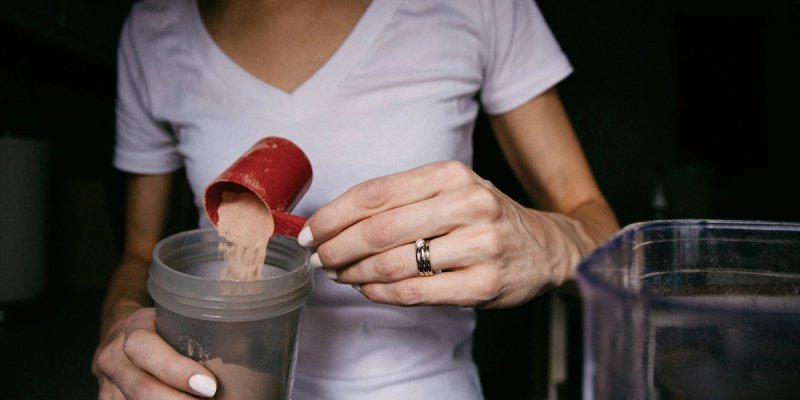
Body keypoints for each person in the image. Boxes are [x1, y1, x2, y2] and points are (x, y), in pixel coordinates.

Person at [92, 0, 619, 398]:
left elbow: (597, 228)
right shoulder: (154, 29)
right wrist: (121, 325)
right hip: (218, 383)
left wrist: (553, 242)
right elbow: (140, 255)